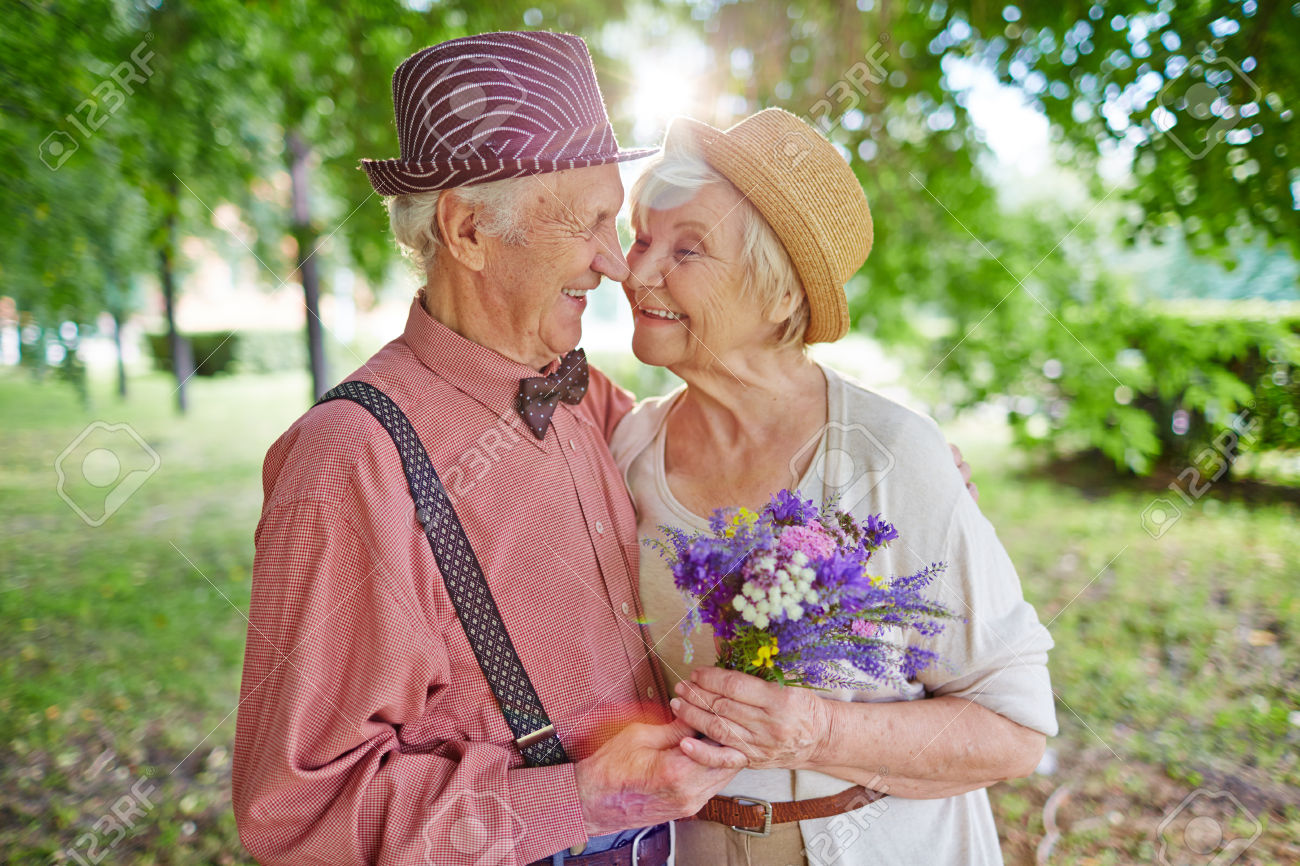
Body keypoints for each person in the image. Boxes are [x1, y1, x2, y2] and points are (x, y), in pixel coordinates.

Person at [231, 32, 750, 866]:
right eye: (588, 223)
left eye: (613, 219)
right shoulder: (348, 460)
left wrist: (863, 453)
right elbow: (297, 815)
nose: (618, 263)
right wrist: (575, 800)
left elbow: (720, 444)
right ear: (468, 229)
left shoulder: (583, 392)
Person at [608, 109, 1057, 864]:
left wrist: (819, 731)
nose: (636, 270)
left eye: (688, 250)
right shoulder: (628, 448)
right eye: (643, 238)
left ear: (780, 295)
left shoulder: (890, 456)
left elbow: (1014, 732)